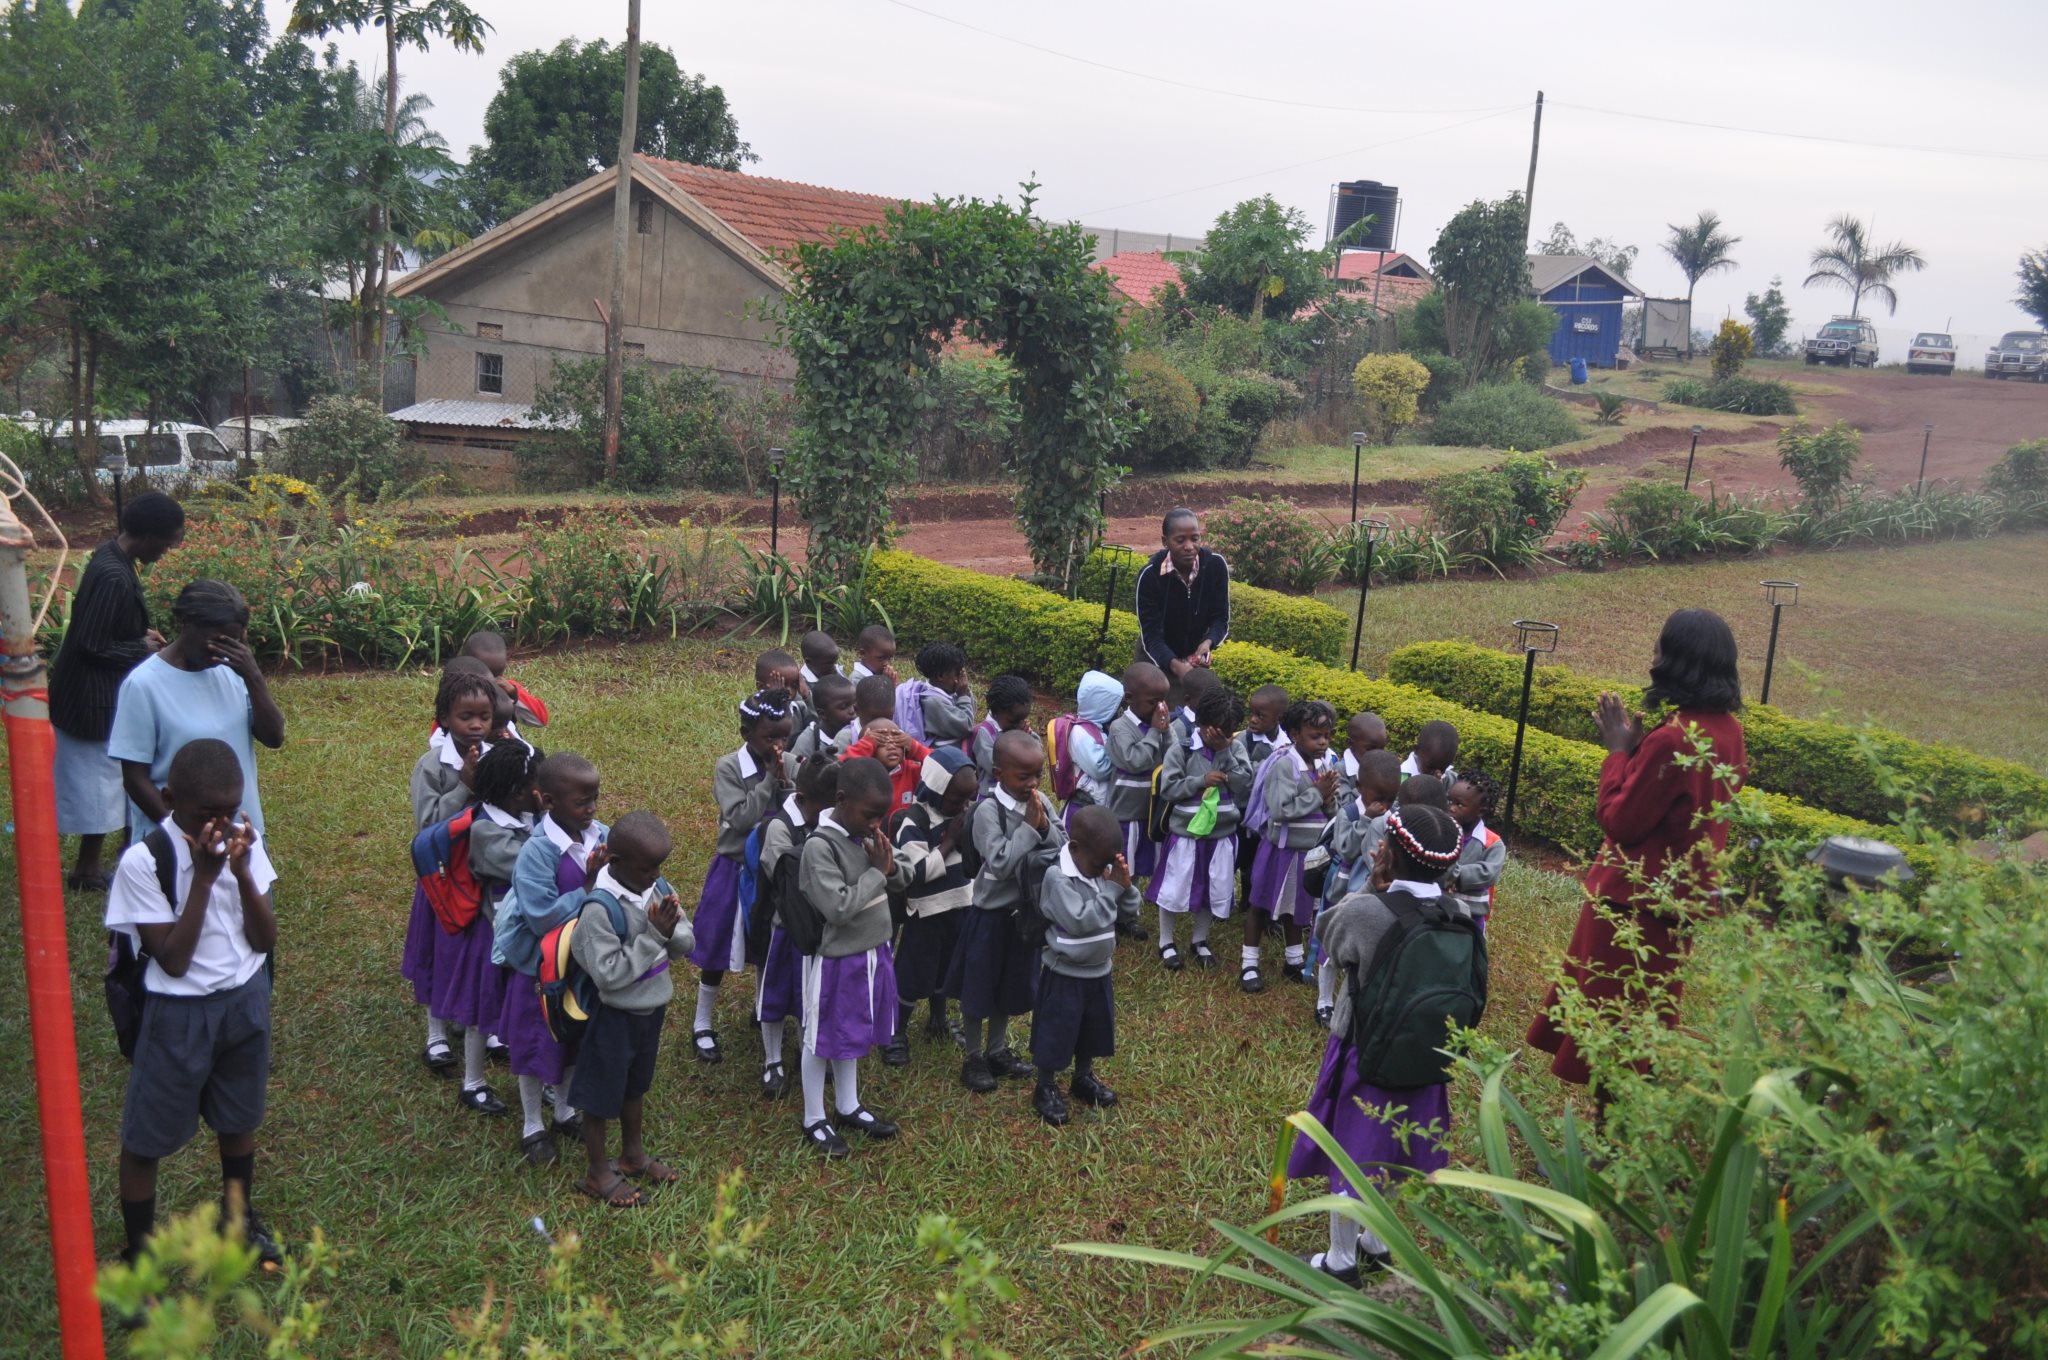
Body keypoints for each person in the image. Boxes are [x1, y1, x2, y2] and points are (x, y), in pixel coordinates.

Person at [1527, 609, 1748, 1092]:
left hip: (1632, 906)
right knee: (1643, 1025)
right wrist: (1638, 752)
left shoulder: (1673, 738)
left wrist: (1618, 750)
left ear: (1677, 661)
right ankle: (1622, 1127)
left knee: (1612, 1037)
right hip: (1678, 904)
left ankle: (1607, 1134)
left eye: (1659, 648)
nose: (1653, 657)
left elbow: (1620, 821)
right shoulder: (1728, 731)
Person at [106, 737, 281, 1270]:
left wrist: (243, 873)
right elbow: (174, 959)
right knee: (146, 1139)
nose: (221, 824)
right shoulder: (144, 862)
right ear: (168, 799)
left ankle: (238, 1219)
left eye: (230, 809)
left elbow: (264, 938)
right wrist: (204, 879)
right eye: (207, 813)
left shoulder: (244, 844)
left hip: (243, 999)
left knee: (239, 1117)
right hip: (177, 1013)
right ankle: (140, 1256)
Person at [1287, 803, 1468, 1286]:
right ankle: (1376, 1241)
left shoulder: (1368, 911)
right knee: (1393, 1148)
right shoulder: (1459, 912)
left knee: (1351, 1151)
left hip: (1363, 1052)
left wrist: (1373, 882)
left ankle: (1340, 1260)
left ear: (1388, 853)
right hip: (1426, 1060)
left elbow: (1329, 934)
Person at [49, 490, 184, 890]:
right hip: (90, 701)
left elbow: (103, 627)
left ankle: (129, 851)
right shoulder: (113, 575)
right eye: (166, 543)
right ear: (147, 536)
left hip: (96, 694)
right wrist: (140, 647)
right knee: (100, 785)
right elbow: (90, 643)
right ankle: (86, 871)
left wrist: (138, 634)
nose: (166, 551)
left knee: (113, 780)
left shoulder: (114, 557)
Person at [568, 811, 691, 1207]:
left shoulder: (654, 886)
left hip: (650, 1009)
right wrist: (654, 935)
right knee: (601, 1094)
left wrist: (671, 933)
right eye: (648, 868)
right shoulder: (599, 910)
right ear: (616, 863)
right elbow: (608, 975)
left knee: (635, 1085)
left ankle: (633, 1155)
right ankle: (597, 1171)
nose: (656, 875)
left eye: (659, 866)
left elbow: (685, 938)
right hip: (615, 1015)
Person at [109, 579, 285, 844]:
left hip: (240, 836)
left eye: (234, 641)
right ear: (187, 624)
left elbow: (274, 737)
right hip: (177, 840)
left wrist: (254, 677)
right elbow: (135, 780)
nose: (223, 651)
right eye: (217, 641)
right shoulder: (144, 684)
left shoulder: (232, 672)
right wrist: (187, 837)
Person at [494, 753, 608, 1159]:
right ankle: (532, 1125)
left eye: (594, 799)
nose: (591, 809)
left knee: (573, 1037)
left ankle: (563, 1110)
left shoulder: (600, 835)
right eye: (581, 802)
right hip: (540, 970)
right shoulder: (538, 852)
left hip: (579, 965)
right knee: (534, 1045)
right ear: (547, 801)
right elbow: (541, 917)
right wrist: (587, 888)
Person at [794, 757, 909, 1158]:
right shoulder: (820, 847)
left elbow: (901, 876)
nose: (877, 823)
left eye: (882, 815)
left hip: (873, 952)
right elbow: (838, 908)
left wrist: (887, 867)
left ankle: (847, 1104)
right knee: (821, 1037)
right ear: (841, 800)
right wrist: (877, 872)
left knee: (853, 1030)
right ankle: (813, 1117)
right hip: (836, 960)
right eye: (871, 814)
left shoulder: (865, 833)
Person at [949, 730, 1064, 1093]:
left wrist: (1042, 826)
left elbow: (1062, 846)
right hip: (990, 916)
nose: (1032, 784)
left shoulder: (1040, 803)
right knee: (978, 988)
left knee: (1007, 986)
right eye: (1023, 776)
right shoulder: (988, 811)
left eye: (1037, 775)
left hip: (1024, 916)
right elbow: (999, 863)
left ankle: (996, 1050)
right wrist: (1030, 829)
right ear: (998, 774)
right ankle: (973, 1056)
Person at [400, 666, 503, 1075]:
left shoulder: (496, 758)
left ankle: (483, 1022)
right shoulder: (432, 767)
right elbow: (428, 828)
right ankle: (436, 1033)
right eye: (466, 717)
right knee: (440, 954)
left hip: (483, 878)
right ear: (444, 718)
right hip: (443, 881)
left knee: (479, 955)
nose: (476, 725)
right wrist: (465, 786)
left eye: (484, 717)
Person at [687, 689, 795, 1064]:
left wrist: (787, 782)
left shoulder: (788, 762)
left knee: (767, 943)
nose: (779, 746)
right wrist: (769, 782)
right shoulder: (729, 768)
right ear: (745, 733)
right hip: (734, 868)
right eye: (770, 737)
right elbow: (740, 818)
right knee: (717, 945)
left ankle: (764, 1010)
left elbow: (798, 812)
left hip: (771, 873)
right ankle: (702, 1022)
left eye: (785, 737)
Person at [1030, 805, 1141, 1126]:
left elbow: (1128, 911)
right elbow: (1080, 921)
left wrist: (1125, 887)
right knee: (1057, 1031)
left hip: (1099, 970)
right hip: (1065, 974)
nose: (1102, 870)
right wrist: (1111, 890)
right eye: (1098, 864)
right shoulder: (1059, 878)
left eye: (1107, 864)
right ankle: (1045, 1085)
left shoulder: (1099, 871)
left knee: (1092, 1028)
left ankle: (1082, 1076)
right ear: (1075, 848)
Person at [466, 742, 548, 1160]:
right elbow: (532, 867)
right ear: (520, 792)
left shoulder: (528, 816)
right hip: (495, 934)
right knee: (484, 1011)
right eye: (540, 784)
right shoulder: (485, 832)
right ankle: (473, 1081)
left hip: (522, 932)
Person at [751, 753, 838, 1100]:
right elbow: (784, 879)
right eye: (826, 808)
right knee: (774, 995)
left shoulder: (825, 821)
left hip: (815, 930)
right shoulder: (779, 828)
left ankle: (810, 1050)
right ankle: (772, 1060)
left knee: (810, 995)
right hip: (783, 929)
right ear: (802, 798)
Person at [886, 746, 978, 1063]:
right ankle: (896, 1031)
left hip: (961, 904)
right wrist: (950, 841)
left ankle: (938, 1019)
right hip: (926, 913)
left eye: (969, 798)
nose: (964, 805)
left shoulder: (965, 816)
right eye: (957, 799)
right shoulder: (915, 821)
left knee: (946, 970)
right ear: (936, 789)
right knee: (913, 974)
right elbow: (915, 874)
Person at [1150, 685, 1251, 971]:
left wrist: (1226, 752)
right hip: (1187, 834)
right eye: (1216, 731)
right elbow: (1169, 788)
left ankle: (1199, 939)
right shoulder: (1182, 749)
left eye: (1228, 733)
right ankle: (1166, 941)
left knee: (1213, 886)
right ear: (1202, 723)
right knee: (1174, 887)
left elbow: (1244, 784)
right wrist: (1200, 781)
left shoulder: (1235, 749)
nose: (1221, 737)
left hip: (1221, 835)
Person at [1243, 699, 1340, 994]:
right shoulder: (1285, 765)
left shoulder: (1322, 764)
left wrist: (1328, 799)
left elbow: (1330, 810)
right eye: (1315, 736)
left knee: (1296, 907)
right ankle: (1249, 963)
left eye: (1327, 735)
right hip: (1281, 851)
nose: (1323, 742)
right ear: (1295, 734)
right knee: (1260, 904)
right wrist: (1317, 793)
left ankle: (1293, 960)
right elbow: (1281, 809)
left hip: (1307, 853)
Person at [1318, 749, 1405, 1028]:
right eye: (1378, 797)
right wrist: (1366, 819)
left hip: (1376, 891)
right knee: (1333, 946)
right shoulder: (1349, 812)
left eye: (1390, 798)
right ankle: (1324, 1001)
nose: (1384, 804)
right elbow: (1345, 848)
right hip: (1345, 887)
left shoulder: (1394, 815)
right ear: (1359, 786)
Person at [1135, 508, 1230, 679]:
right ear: (1165, 542)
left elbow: (1220, 618)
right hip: (1155, 661)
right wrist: (1176, 665)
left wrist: (1208, 642)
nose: (1189, 547)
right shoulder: (1150, 576)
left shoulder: (1215, 566)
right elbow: (1151, 636)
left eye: (1195, 539)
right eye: (1180, 540)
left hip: (1194, 661)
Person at [1104, 662, 1173, 879]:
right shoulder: (1120, 728)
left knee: (1147, 864)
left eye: (1163, 701)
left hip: (1151, 814)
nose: (1159, 707)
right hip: (1126, 815)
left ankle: (1134, 896)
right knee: (1125, 868)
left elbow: (1173, 756)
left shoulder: (1158, 725)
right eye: (1153, 702)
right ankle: (1120, 895)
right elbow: (1135, 761)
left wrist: (1166, 731)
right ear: (1129, 698)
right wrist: (1155, 732)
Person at [1232, 685, 1287, 932]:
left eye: (1260, 716)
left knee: (1262, 863)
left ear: (1278, 718)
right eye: (1251, 713)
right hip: (1245, 813)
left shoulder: (1289, 742)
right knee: (1240, 858)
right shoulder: (1243, 741)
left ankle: (1260, 907)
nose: (1253, 720)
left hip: (1273, 816)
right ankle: (1233, 901)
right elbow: (1242, 776)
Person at [1447, 770, 1506, 933]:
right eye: (1449, 801)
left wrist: (1454, 875)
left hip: (1472, 916)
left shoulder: (1492, 843)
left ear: (1481, 811)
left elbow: (1489, 873)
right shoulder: (1442, 831)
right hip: (1441, 908)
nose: (1451, 808)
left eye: (1459, 805)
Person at [894, 641, 977, 747]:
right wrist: (963, 695)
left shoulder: (945, 692)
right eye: (957, 674)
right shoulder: (933, 702)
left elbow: (971, 713)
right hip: (943, 753)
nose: (959, 679)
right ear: (941, 676)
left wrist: (964, 692)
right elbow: (966, 726)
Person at [462, 630, 548, 728]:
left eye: (496, 675)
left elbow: (540, 721)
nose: (491, 681)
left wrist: (513, 694)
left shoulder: (507, 689)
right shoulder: (456, 689)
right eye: (483, 674)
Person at [972, 674, 1035, 784]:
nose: (1020, 724)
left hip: (1018, 790)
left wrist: (1027, 739)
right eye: (1013, 721)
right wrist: (1017, 740)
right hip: (991, 791)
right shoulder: (985, 734)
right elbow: (994, 766)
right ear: (996, 712)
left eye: (1023, 719)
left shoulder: (1020, 727)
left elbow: (1038, 754)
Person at [791, 673, 859, 762]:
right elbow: (796, 768)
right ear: (823, 714)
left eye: (855, 703)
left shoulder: (859, 730)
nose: (852, 710)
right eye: (843, 707)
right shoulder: (809, 741)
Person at [1334, 712, 1389, 805]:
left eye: (1382, 748)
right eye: (1370, 749)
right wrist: (1367, 782)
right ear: (1350, 743)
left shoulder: (1384, 766)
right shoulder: (1341, 769)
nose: (1377, 754)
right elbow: (1344, 803)